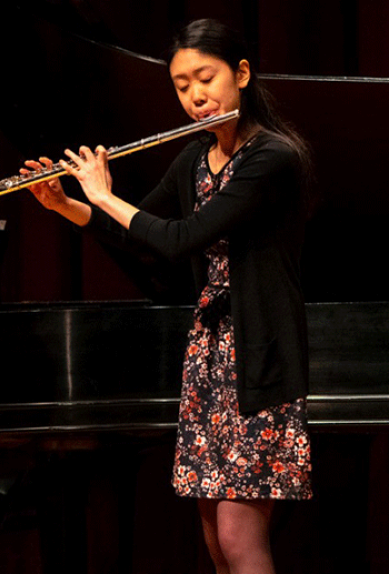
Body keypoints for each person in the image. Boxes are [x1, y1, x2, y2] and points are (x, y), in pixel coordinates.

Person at [22, 18, 313, 574]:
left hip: (260, 358)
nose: (196, 96)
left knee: (238, 535)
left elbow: (181, 239)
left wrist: (103, 194)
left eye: (206, 78)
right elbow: (141, 239)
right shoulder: (195, 160)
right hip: (209, 359)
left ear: (242, 74)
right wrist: (66, 204)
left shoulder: (270, 159)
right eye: (182, 86)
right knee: (212, 536)